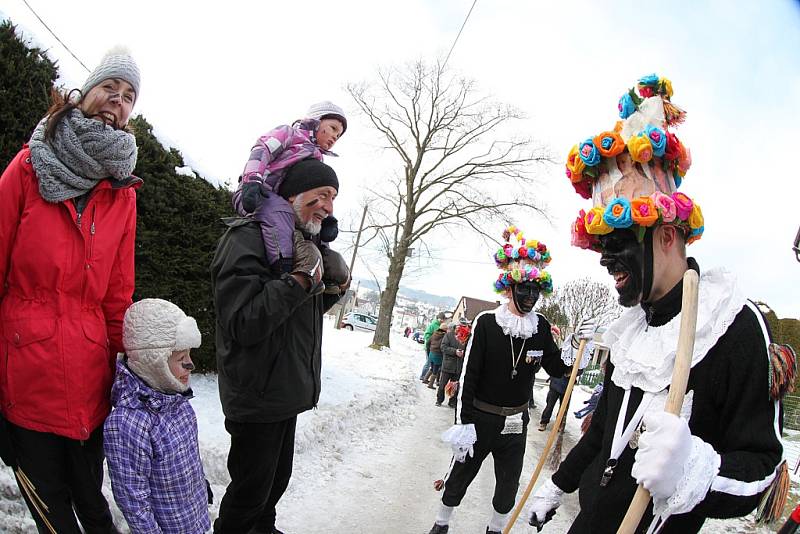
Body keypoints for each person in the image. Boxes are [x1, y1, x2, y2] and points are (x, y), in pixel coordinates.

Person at [529, 74, 783, 533]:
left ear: (667, 235)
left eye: (618, 240)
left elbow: (762, 470)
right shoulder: (630, 332)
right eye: (601, 243)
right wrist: (559, 487)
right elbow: (602, 435)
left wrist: (695, 471)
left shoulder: (734, 327)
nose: (605, 259)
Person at [0, 47, 141, 533]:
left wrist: (134, 369)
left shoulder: (123, 192)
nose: (116, 101)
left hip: (88, 381)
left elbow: (117, 296)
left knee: (95, 509)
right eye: (109, 88)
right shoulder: (27, 167)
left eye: (128, 97)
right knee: (53, 518)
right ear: (85, 93)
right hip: (25, 379)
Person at [211, 158, 350, 534]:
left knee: (274, 486)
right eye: (322, 195)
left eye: (333, 198)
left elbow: (298, 317)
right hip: (257, 393)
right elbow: (243, 321)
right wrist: (300, 280)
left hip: (283, 391)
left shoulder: (301, 243)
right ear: (293, 194)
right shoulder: (248, 237)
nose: (328, 206)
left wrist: (332, 289)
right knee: (248, 496)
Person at [428, 226, 587, 534]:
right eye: (524, 289)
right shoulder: (487, 322)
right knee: (461, 474)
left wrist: (577, 347)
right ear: (510, 288)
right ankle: (441, 523)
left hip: (516, 423)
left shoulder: (540, 326)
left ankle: (496, 529)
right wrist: (463, 423)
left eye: (535, 291)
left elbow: (557, 367)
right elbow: (468, 375)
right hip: (480, 417)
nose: (530, 297)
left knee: (508, 487)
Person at [104, 299, 210, 534]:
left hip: (194, 521)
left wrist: (201, 486)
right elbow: (133, 499)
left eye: (189, 355)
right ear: (154, 361)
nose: (190, 364)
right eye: (180, 358)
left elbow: (190, 458)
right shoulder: (128, 423)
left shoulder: (178, 403)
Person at [233, 101, 347, 273]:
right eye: (332, 128)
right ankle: (283, 266)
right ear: (317, 120)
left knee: (313, 225)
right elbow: (262, 150)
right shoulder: (288, 134)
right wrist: (252, 180)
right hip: (256, 193)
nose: (334, 137)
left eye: (338, 135)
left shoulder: (316, 158)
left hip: (283, 201)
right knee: (280, 213)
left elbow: (315, 191)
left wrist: (328, 218)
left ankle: (326, 269)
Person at [437, 319, 470, 407]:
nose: (461, 328)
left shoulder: (466, 337)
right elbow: (443, 347)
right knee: (442, 385)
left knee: (455, 387)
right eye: (459, 326)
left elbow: (469, 349)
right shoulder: (449, 335)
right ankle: (439, 400)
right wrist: (455, 351)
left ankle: (452, 402)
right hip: (448, 365)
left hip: (458, 366)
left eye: (463, 327)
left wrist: (463, 353)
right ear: (456, 327)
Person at [420, 312, 446, 382]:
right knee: (428, 363)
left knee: (432, 364)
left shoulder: (441, 326)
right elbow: (426, 334)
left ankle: (426, 378)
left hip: (433, 348)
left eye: (443, 319)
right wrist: (432, 342)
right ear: (438, 318)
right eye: (441, 319)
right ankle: (422, 376)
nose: (442, 320)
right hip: (429, 347)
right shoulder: (432, 325)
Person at [426, 321, 448, 389]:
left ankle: (425, 379)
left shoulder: (434, 333)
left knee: (432, 368)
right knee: (435, 370)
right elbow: (443, 346)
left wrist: (429, 351)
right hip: (437, 355)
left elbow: (428, 343)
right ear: (445, 329)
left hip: (431, 353)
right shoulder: (444, 336)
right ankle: (430, 384)